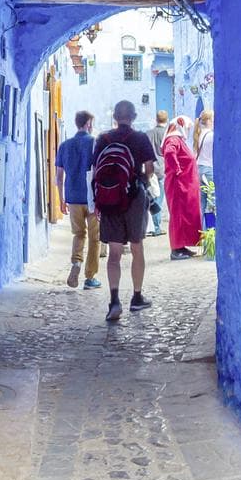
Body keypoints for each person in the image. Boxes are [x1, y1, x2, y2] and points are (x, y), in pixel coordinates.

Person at [92, 100, 157, 322]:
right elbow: (149, 169)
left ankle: (114, 301)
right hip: (134, 198)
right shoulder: (140, 138)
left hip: (109, 198)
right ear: (134, 116)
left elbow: (95, 171)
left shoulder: (103, 139)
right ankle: (137, 298)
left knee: (114, 253)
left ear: (115, 117)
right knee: (137, 248)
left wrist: (98, 199)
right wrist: (140, 180)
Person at [55, 112, 102, 289]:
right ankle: (90, 277)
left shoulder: (64, 146)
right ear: (89, 123)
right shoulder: (94, 143)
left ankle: (76, 263)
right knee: (94, 237)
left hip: (72, 197)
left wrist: (61, 199)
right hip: (91, 197)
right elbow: (98, 170)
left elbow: (59, 176)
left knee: (78, 234)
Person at [162, 116, 203, 259]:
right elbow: (169, 152)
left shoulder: (178, 140)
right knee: (178, 215)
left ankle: (182, 246)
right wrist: (177, 170)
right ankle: (176, 249)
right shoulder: (173, 140)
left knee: (184, 215)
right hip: (178, 185)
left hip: (183, 184)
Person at [146, 111, 169, 236]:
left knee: (152, 197)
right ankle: (156, 227)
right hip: (162, 169)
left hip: (149, 168)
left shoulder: (149, 133)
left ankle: (152, 225)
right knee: (159, 198)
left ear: (156, 119)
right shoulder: (166, 134)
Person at [194, 109, 216, 225]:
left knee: (201, 203)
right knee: (211, 203)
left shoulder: (199, 133)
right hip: (209, 169)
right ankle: (210, 229)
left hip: (199, 168)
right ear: (208, 120)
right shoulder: (212, 135)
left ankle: (201, 234)